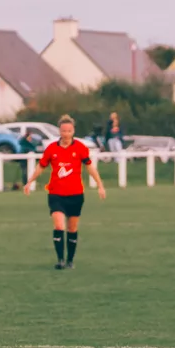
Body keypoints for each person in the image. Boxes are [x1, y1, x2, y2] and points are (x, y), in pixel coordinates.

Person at [24, 115, 107, 269]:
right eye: (63, 131)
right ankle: (60, 260)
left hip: (75, 195)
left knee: (72, 229)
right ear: (59, 131)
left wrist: (100, 185)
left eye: (69, 131)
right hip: (56, 195)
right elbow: (41, 166)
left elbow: (90, 167)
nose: (66, 134)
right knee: (59, 226)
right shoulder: (52, 149)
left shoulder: (80, 148)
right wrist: (30, 181)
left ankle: (70, 261)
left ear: (73, 131)